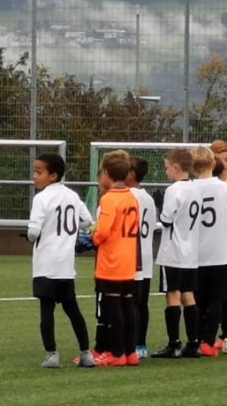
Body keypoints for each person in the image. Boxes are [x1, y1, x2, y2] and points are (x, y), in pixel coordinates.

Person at [26, 153, 95, 369]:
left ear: (53, 175)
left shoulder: (42, 198)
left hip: (46, 264)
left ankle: (52, 355)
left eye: (39, 172)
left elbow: (33, 232)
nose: (35, 176)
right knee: (73, 310)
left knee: (46, 311)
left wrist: (33, 233)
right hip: (66, 266)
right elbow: (87, 221)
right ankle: (86, 354)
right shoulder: (72, 196)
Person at [90, 150, 142, 367]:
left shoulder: (109, 199)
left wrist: (92, 237)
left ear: (106, 173)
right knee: (128, 305)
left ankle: (117, 352)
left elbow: (102, 232)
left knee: (113, 308)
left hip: (112, 261)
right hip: (129, 260)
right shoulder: (132, 196)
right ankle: (131, 352)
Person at [152, 148, 203, 358]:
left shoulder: (174, 190)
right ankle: (194, 343)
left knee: (172, 295)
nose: (166, 172)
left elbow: (166, 220)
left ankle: (174, 344)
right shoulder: (196, 189)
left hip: (172, 251)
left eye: (166, 168)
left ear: (175, 167)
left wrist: (158, 204)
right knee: (188, 295)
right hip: (191, 252)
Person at [191, 147, 227, 357]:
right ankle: (208, 342)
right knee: (216, 300)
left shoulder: (188, 188)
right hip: (220, 252)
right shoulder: (225, 188)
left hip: (194, 253)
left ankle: (196, 338)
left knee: (198, 299)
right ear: (213, 164)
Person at [126, 156, 158, 359]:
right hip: (146, 254)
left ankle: (127, 343)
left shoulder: (126, 196)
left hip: (130, 256)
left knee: (129, 302)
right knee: (142, 303)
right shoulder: (148, 198)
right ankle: (141, 344)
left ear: (130, 174)